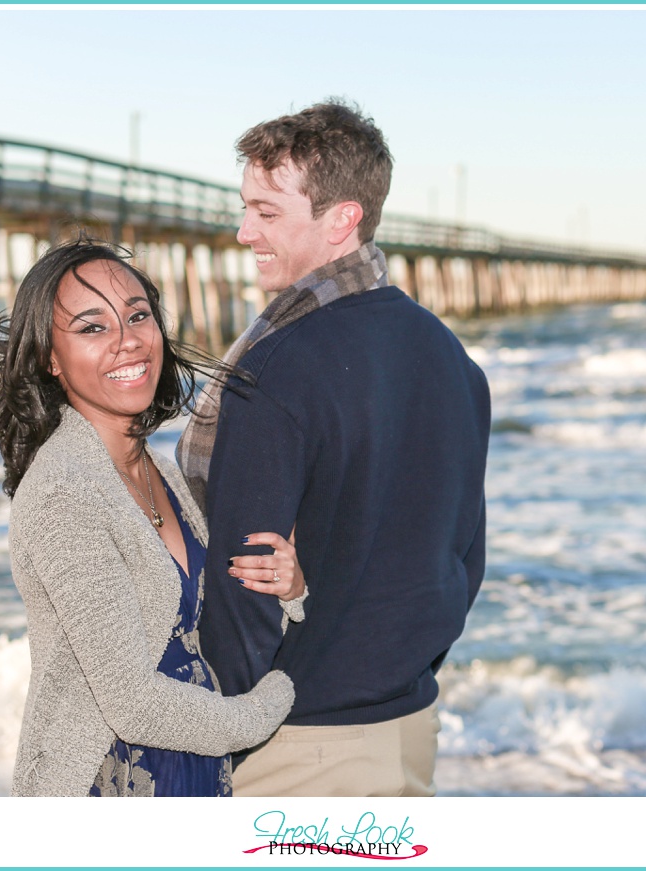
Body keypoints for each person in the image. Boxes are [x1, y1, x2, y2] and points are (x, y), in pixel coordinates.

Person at [176, 99, 491, 796]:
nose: (242, 230)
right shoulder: (452, 359)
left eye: (266, 211)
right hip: (411, 728)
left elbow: (245, 581)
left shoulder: (276, 366)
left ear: (341, 218)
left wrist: (218, 726)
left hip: (300, 748)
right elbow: (464, 562)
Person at [0, 237, 307, 797]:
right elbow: (133, 703)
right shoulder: (63, 493)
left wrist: (289, 586)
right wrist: (265, 709)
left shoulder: (158, 470)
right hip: (106, 786)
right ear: (50, 357)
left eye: (138, 316)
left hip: (190, 774)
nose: (128, 342)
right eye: (93, 327)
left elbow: (198, 619)